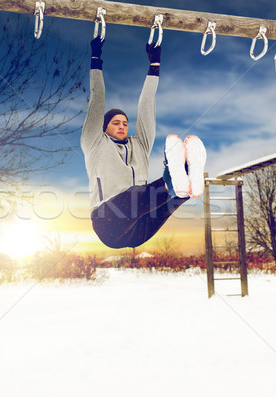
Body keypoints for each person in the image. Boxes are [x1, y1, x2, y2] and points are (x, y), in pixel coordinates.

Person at [81, 37, 207, 249]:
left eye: (125, 123)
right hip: (108, 223)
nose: (122, 126)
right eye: (115, 123)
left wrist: (154, 65)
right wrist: (96, 58)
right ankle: (171, 181)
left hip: (138, 230)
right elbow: (97, 98)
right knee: (137, 196)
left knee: (172, 198)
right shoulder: (94, 143)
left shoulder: (139, 146)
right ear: (104, 127)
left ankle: (186, 178)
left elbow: (147, 104)